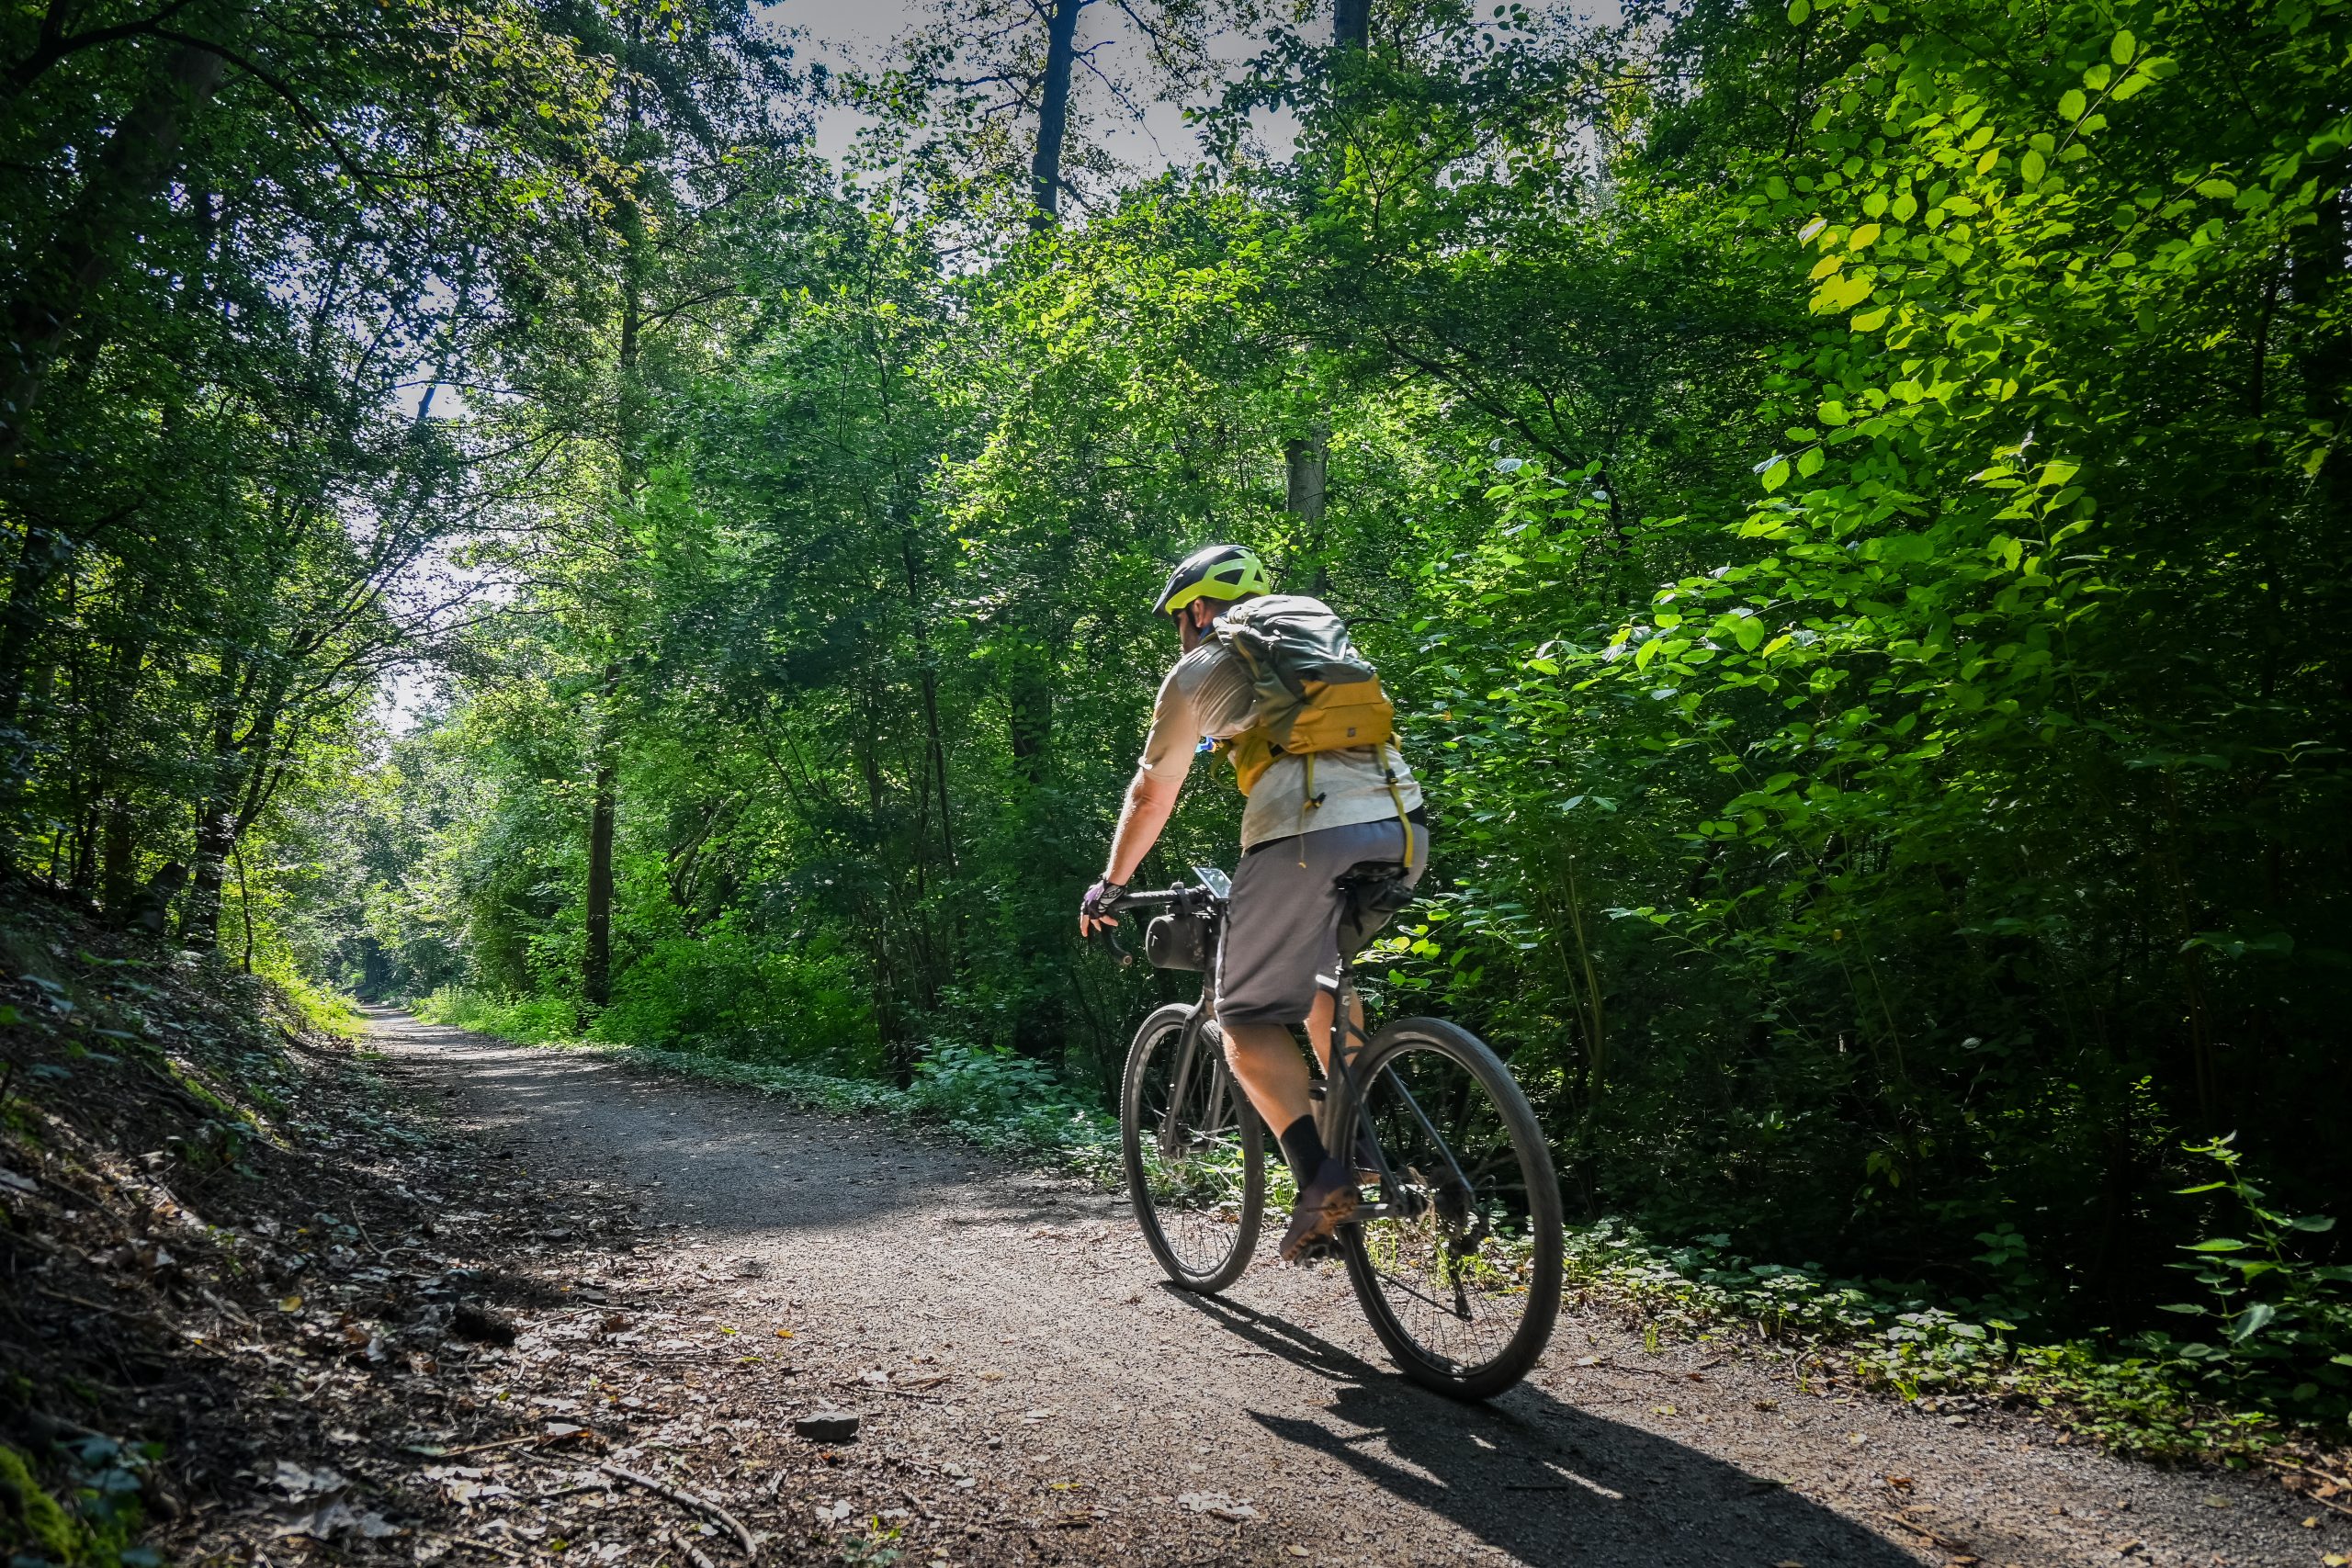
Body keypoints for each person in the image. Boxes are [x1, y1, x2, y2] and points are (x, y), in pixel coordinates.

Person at [1080, 544, 1429, 1262]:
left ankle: (1318, 1175)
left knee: (1244, 1015)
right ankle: (1355, 1133)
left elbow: (1153, 790)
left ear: (1199, 608)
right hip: (1404, 824)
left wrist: (1111, 883)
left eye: (1181, 617)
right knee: (1325, 977)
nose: (1181, 629)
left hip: (1306, 832)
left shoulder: (1198, 668)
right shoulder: (1317, 638)